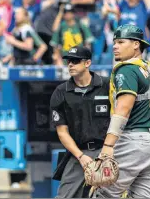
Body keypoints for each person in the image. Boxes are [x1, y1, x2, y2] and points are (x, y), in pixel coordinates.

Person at [94, 24, 150, 198]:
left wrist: (108, 145)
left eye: (120, 42)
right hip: (148, 141)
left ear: (136, 44)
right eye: (114, 42)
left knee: (103, 193)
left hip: (132, 140)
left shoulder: (127, 70)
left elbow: (124, 109)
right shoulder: (146, 68)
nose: (115, 46)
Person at [50, 45, 111, 198]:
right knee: (64, 196)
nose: (70, 64)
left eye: (75, 61)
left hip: (107, 151)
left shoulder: (107, 85)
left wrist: (108, 151)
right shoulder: (61, 92)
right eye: (69, 61)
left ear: (87, 63)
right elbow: (62, 132)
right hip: (78, 153)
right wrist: (81, 157)